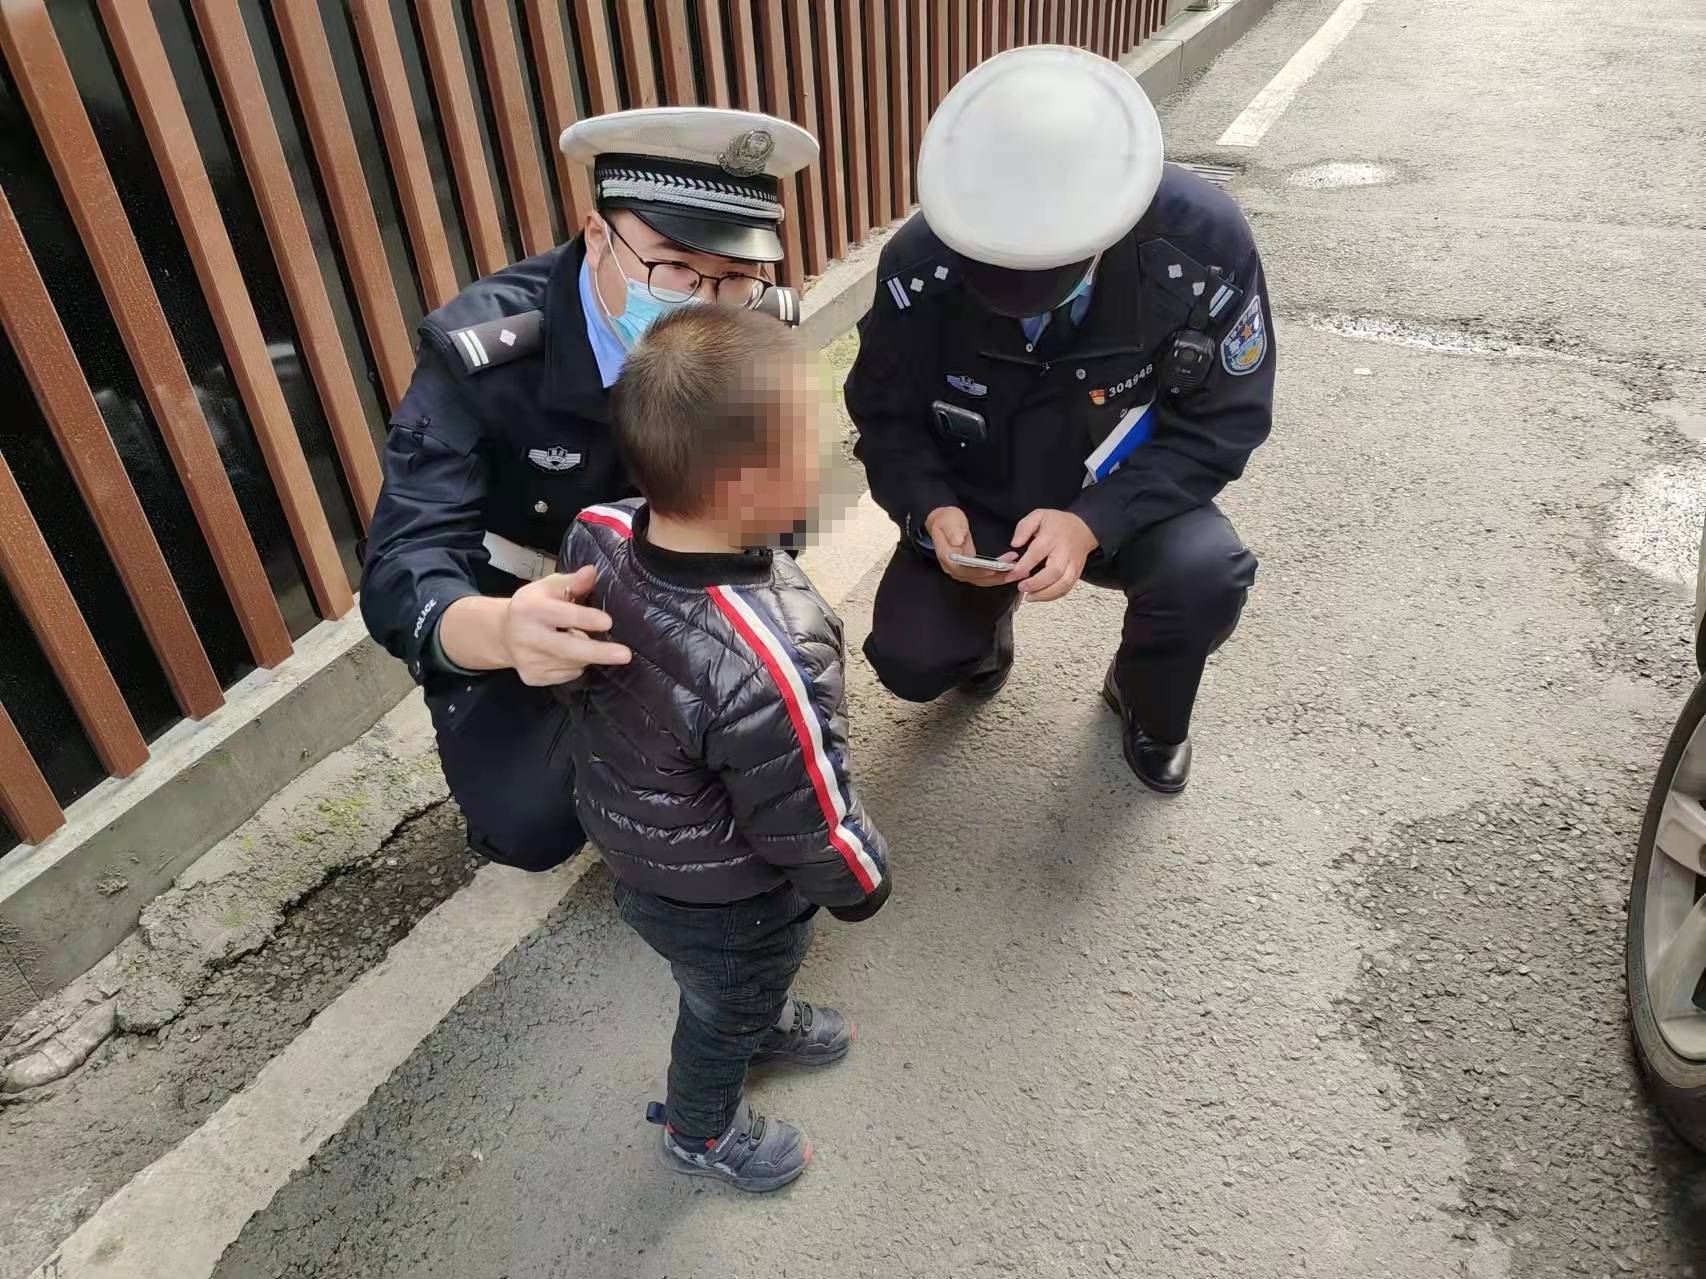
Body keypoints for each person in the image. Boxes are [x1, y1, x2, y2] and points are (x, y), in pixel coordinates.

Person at [358, 107, 817, 871]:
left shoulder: (752, 317)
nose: (706, 301)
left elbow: (776, 496)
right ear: (598, 234)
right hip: (530, 608)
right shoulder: (487, 353)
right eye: (674, 266)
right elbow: (405, 556)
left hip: (679, 586)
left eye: (736, 275)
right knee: (529, 825)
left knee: (757, 744)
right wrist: (500, 630)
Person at [845, 45, 1273, 794]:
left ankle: (1143, 697)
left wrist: (1094, 520)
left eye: (1052, 275)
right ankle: (982, 635)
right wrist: (929, 506)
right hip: (979, 497)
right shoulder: (920, 266)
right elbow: (884, 417)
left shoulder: (1202, 248)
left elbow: (1225, 421)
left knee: (1204, 574)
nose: (1023, 300)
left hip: (1125, 497)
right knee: (910, 657)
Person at [556, 305, 891, 1192]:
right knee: (719, 1004)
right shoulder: (773, 655)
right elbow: (807, 814)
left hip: (636, 845)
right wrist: (862, 879)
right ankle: (701, 1130)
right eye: (814, 441)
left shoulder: (598, 529)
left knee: (723, 986)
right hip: (725, 893)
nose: (830, 452)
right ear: (751, 487)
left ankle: (760, 1018)